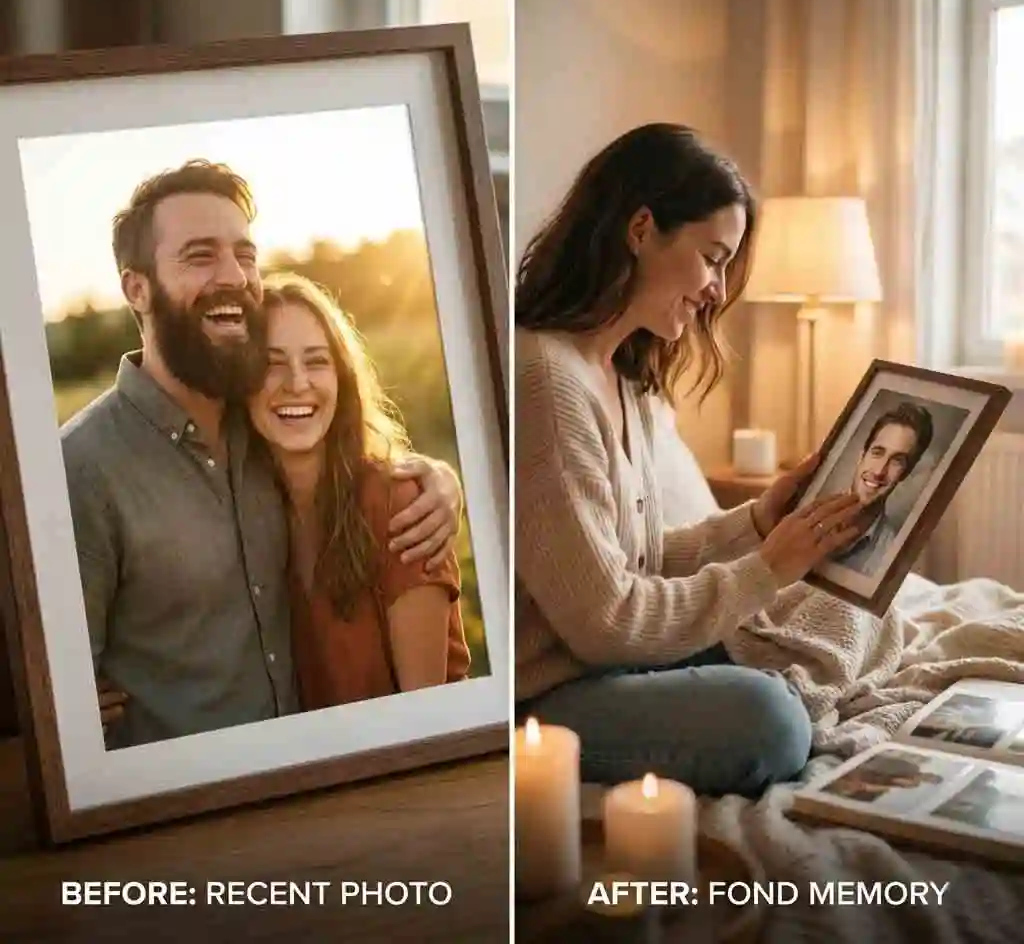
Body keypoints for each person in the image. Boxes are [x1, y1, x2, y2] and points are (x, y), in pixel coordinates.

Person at [515, 123, 864, 796]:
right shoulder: (546, 382)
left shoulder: (624, 377)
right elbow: (608, 622)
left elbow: (639, 560)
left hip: (609, 670)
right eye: (713, 257)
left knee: (839, 623)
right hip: (550, 696)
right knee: (771, 722)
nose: (717, 287)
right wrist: (769, 568)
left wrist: (759, 520)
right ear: (641, 229)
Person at [64, 159, 463, 749]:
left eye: (245, 255)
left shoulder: (260, 432)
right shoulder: (81, 467)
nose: (234, 276)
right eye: (200, 255)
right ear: (136, 287)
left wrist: (440, 477)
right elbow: (52, 682)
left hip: (320, 783)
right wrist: (53, 707)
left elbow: (352, 461)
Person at [248, 273, 470, 706]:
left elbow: (428, 719)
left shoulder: (399, 504)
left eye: (316, 361)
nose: (296, 382)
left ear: (342, 379)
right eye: (271, 363)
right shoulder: (246, 516)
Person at [829, 401, 934, 575]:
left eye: (897, 460)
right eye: (877, 452)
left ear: (906, 473)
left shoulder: (891, 554)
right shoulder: (810, 508)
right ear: (862, 455)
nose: (879, 471)